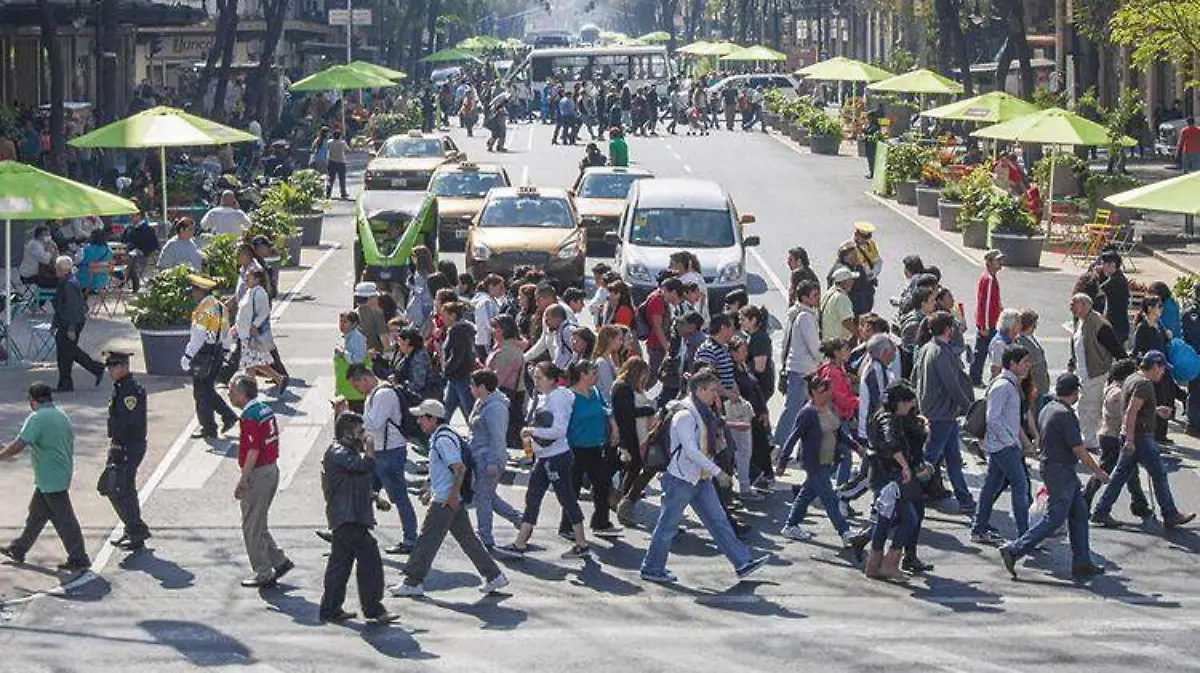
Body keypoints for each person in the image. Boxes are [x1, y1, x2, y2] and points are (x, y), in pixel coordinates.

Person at [639, 370, 770, 583]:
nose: (715, 396)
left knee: (719, 521)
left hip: (699, 477)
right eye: (712, 391)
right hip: (681, 480)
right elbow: (691, 450)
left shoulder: (701, 412)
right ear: (699, 390)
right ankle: (652, 568)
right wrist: (719, 473)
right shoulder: (685, 415)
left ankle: (742, 563)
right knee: (667, 527)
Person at [390, 400, 511, 597]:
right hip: (449, 498)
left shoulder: (443, 440)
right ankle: (494, 576)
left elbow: (459, 469)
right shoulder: (443, 435)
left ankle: (412, 582)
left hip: (445, 500)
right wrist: (431, 488)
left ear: (433, 419)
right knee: (468, 539)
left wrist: (451, 496)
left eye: (422, 417)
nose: (419, 421)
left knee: (427, 540)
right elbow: (445, 469)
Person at [999, 374, 1109, 581]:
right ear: (1075, 393)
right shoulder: (1065, 415)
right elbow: (1079, 450)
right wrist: (1098, 471)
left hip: (1056, 468)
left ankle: (1082, 561)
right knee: (1055, 518)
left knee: (1079, 512)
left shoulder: (1048, 408)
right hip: (1061, 472)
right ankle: (1014, 550)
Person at [493, 362, 591, 560]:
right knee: (533, 498)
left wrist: (532, 431)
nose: (535, 382)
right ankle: (520, 543)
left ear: (553, 380)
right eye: (535, 377)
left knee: (566, 498)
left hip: (557, 457)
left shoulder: (558, 399)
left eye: (539, 378)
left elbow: (559, 430)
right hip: (543, 458)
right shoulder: (544, 397)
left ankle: (581, 544)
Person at [1090, 351, 1196, 529]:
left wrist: (1154, 410)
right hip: (1140, 437)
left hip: (1132, 436)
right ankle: (1170, 514)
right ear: (1154, 366)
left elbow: (1134, 409)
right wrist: (1130, 440)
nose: (1163, 373)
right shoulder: (1144, 384)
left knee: (1119, 476)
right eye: (1162, 369)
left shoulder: (1132, 378)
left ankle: (1101, 511)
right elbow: (1131, 411)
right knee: (1159, 475)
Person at [317, 412, 399, 624]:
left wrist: (374, 497)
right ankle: (374, 609)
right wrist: (371, 448)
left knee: (340, 563)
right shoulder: (338, 452)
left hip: (347, 516)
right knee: (369, 558)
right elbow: (363, 467)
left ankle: (331, 608)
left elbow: (352, 481)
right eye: (360, 432)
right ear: (348, 433)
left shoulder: (345, 453)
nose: (364, 436)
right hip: (348, 517)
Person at [0, 384, 91, 572]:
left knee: (64, 519)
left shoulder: (37, 418)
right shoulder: (60, 415)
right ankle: (19, 549)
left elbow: (19, 445)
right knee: (36, 514)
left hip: (51, 477)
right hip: (56, 474)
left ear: (33, 400)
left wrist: (1, 455)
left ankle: (79, 557)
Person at [228, 374, 293, 588]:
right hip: (271, 469)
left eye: (232, 390)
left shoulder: (249, 417)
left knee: (251, 526)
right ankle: (279, 561)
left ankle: (263, 572)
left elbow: (253, 450)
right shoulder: (264, 409)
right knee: (259, 522)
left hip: (258, 473)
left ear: (242, 393)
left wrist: (243, 480)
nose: (229, 394)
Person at [777, 374, 858, 545]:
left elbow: (840, 433)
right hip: (814, 463)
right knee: (829, 498)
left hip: (829, 462)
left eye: (829, 390)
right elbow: (793, 437)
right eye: (824, 391)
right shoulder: (807, 413)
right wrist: (783, 461)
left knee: (807, 494)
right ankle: (845, 533)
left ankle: (791, 525)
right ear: (813, 392)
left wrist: (857, 448)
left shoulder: (830, 409)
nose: (828, 394)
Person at [346, 364, 418, 555]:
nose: (356, 390)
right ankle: (348, 533)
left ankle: (410, 539)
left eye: (356, 385)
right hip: (378, 452)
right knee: (363, 492)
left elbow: (374, 423)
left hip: (390, 453)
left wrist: (352, 417)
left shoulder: (383, 395)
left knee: (399, 497)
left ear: (365, 378)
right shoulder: (374, 394)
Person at [913, 311, 976, 514]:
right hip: (942, 414)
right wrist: (969, 408)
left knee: (953, 458)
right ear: (948, 329)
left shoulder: (925, 348)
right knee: (929, 460)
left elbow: (915, 378)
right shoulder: (942, 352)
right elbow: (952, 385)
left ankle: (964, 497)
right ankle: (907, 494)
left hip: (935, 412)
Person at [970, 345, 1032, 544]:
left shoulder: (1010, 384)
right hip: (1003, 447)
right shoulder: (1003, 386)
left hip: (1002, 445)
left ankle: (979, 528)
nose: (1027, 366)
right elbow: (993, 419)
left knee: (991, 486)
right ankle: (1025, 536)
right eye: (1024, 362)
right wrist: (1010, 442)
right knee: (1020, 486)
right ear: (1012, 364)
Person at [558, 359, 619, 537]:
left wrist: (614, 427)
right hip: (575, 448)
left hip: (595, 446)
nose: (596, 376)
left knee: (602, 484)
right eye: (593, 373)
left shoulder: (595, 392)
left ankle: (601, 522)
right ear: (582, 375)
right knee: (573, 488)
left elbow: (605, 410)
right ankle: (567, 526)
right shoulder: (569, 396)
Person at [1083, 359, 1152, 517]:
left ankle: (1139, 503)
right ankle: (1084, 498)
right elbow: (1124, 409)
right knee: (1104, 471)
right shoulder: (1117, 392)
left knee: (1131, 473)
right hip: (1112, 437)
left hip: (1112, 435)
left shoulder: (1115, 387)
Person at [467, 369, 523, 548]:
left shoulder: (495, 408)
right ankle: (521, 521)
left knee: (483, 498)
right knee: (488, 496)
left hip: (488, 459)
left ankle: (485, 537)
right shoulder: (482, 402)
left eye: (473, 385)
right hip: (479, 456)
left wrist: (492, 462)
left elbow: (497, 438)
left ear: (482, 387)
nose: (470, 388)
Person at [103, 351, 151, 551]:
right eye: (109, 367)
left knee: (117, 488)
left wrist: (118, 444)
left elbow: (128, 423)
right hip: (126, 444)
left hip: (127, 446)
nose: (110, 371)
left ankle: (136, 529)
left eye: (113, 367)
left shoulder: (129, 391)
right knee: (122, 488)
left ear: (124, 367)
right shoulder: (122, 388)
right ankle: (133, 529)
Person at [1068, 293, 1126, 451]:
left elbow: (1116, 349)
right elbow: (1076, 344)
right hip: (1083, 372)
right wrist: (1072, 363)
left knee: (1091, 406)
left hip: (1096, 373)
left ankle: (1090, 440)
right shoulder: (1080, 321)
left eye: (1074, 303)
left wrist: (1122, 370)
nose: (1070, 306)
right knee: (1082, 406)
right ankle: (1084, 436)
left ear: (1085, 305)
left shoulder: (1100, 325)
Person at [181, 274, 238, 439]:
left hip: (204, 354)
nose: (192, 293)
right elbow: (226, 331)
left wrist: (187, 356)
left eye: (194, 290)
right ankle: (218, 420)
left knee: (201, 392)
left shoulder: (203, 311)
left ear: (200, 292)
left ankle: (211, 425)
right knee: (206, 390)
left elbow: (197, 337)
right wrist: (226, 350)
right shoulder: (220, 306)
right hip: (218, 352)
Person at [776, 279, 822, 446]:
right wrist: (824, 361)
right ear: (805, 297)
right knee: (793, 411)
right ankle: (779, 445)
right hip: (802, 370)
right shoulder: (805, 317)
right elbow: (815, 347)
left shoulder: (797, 314)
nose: (818, 298)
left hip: (800, 370)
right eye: (814, 295)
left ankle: (802, 448)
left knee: (806, 413)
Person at [51, 256, 105, 392]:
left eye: (57, 268)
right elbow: (60, 306)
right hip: (66, 321)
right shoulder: (65, 281)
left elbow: (72, 307)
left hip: (71, 322)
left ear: (63, 270)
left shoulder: (69, 284)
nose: (55, 271)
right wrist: (54, 324)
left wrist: (71, 328)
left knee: (67, 351)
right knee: (66, 352)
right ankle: (66, 382)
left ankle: (95, 368)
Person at [237, 268, 287, 395]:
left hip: (251, 334)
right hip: (245, 333)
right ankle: (278, 379)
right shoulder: (250, 292)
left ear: (257, 279)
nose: (246, 279)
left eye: (249, 277)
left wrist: (255, 325)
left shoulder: (259, 293)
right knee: (254, 363)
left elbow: (264, 312)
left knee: (251, 365)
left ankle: (250, 393)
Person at [440, 301, 477, 424]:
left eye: (445, 315)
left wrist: (446, 370)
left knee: (469, 409)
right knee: (447, 409)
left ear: (453, 315)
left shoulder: (457, 331)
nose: (442, 318)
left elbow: (457, 355)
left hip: (461, 376)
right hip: (457, 377)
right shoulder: (463, 328)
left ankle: (476, 435)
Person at [972, 250, 1005, 386]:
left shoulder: (989, 278)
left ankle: (976, 378)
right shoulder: (989, 280)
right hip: (989, 324)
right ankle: (977, 379)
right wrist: (984, 325)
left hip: (988, 322)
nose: (1000, 264)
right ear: (989, 262)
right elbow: (985, 304)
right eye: (998, 261)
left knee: (982, 352)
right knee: (988, 353)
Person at [819, 267, 857, 342]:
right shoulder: (842, 297)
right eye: (850, 280)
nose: (853, 282)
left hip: (826, 340)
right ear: (843, 282)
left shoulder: (828, 293)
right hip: (837, 343)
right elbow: (847, 321)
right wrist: (860, 335)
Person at [18, 225, 59, 289]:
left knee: (61, 277)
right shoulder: (34, 245)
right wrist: (50, 250)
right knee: (58, 281)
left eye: (49, 234)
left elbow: (55, 259)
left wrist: (55, 249)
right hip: (30, 275)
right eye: (46, 235)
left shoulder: (44, 244)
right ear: (39, 236)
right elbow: (46, 260)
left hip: (41, 273)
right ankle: (49, 297)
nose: (48, 237)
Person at [325, 130, 350, 199]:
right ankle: (343, 193)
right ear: (340, 136)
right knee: (342, 179)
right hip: (341, 162)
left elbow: (327, 149)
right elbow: (348, 150)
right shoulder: (342, 143)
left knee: (330, 178)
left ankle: (328, 193)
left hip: (331, 161)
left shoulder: (329, 142)